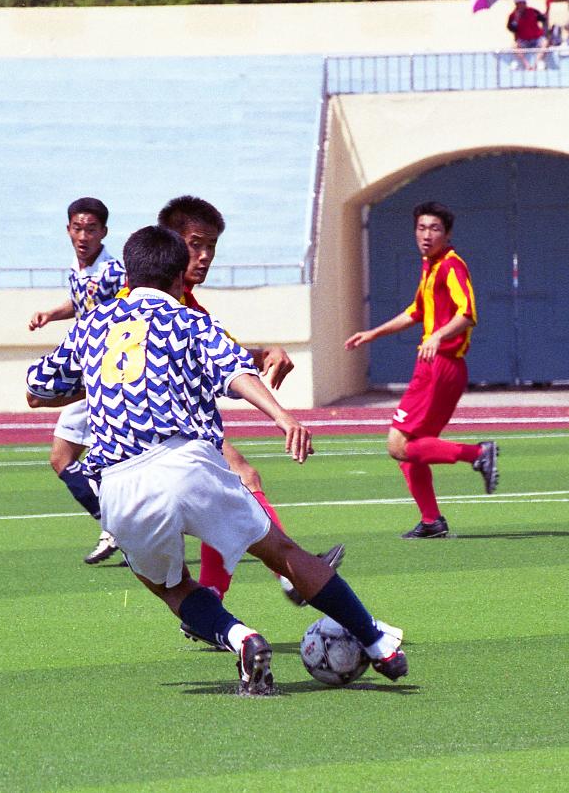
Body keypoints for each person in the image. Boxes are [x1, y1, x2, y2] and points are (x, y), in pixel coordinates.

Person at [25, 225, 408, 695]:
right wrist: (283, 416)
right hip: (188, 463)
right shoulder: (188, 319)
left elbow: (36, 390)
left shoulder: (91, 324)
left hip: (121, 481)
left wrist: (104, 380)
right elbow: (235, 372)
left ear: (127, 271)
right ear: (177, 276)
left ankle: (240, 637)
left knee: (168, 586)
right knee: (284, 554)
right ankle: (377, 644)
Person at [155, 195, 343, 622]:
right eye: (195, 244)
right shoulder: (149, 293)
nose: (204, 257)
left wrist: (259, 354)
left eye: (211, 248)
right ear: (170, 242)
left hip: (177, 429)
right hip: (150, 431)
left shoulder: (189, 303)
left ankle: (214, 600)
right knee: (231, 483)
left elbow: (220, 356)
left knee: (234, 481)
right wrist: (279, 414)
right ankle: (289, 576)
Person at [344, 201, 499, 538]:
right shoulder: (430, 265)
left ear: (447, 234)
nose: (426, 235)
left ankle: (478, 453)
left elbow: (467, 313)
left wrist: (438, 336)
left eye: (434, 229)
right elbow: (416, 311)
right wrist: (374, 333)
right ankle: (432, 522)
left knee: (397, 445)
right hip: (439, 367)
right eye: (421, 228)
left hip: (438, 366)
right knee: (411, 448)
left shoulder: (451, 266)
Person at [28, 197, 127, 565]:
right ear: (68, 229)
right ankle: (117, 526)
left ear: (104, 232)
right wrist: (52, 313)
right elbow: (82, 304)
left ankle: (120, 528)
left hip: (109, 374)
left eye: (91, 229)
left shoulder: (113, 273)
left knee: (36, 397)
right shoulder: (78, 268)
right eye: (77, 228)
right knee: (61, 459)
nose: (83, 236)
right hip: (90, 372)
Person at [506, 0, 547, 71]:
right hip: (523, 40)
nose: (522, 5)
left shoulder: (532, 11)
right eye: (520, 3)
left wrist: (544, 15)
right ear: (516, 5)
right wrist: (516, 20)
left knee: (545, 42)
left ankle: (536, 63)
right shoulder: (512, 16)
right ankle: (527, 65)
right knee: (514, 46)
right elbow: (511, 29)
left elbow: (543, 19)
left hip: (536, 38)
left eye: (523, 3)